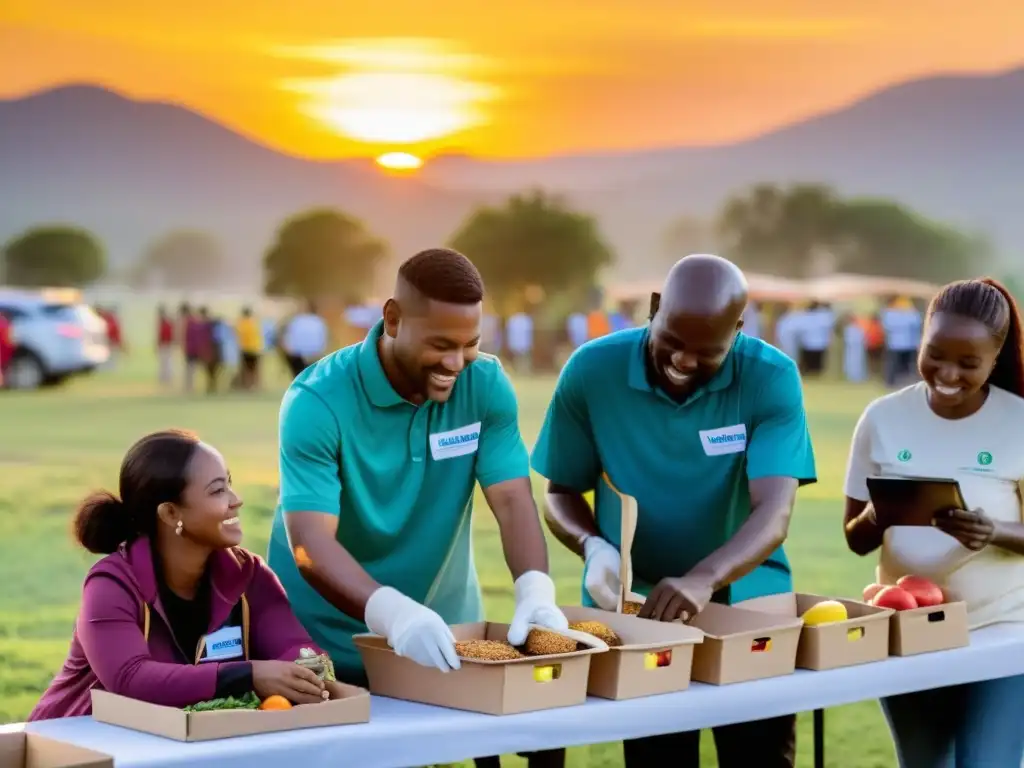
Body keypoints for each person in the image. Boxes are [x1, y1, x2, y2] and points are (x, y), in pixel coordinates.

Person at [266, 248, 568, 768]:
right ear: (392, 319)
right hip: (324, 649)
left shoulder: (486, 384)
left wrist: (535, 590)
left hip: (448, 640)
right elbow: (309, 544)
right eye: (440, 345)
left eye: (469, 345)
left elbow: (514, 499)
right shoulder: (317, 400)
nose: (455, 364)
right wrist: (394, 614)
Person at [531, 253, 816, 768]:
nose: (684, 361)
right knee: (659, 757)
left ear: (738, 329)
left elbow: (774, 512)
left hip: (750, 595)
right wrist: (593, 546)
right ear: (654, 306)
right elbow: (560, 492)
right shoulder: (592, 370)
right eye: (674, 341)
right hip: (638, 605)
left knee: (759, 755)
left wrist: (703, 579)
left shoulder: (771, 377)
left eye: (708, 351)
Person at [842, 277, 1024, 767]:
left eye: (969, 364)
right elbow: (855, 539)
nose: (947, 373)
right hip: (909, 631)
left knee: (987, 763)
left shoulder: (1019, 421)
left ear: (996, 355)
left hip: (1003, 631)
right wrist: (880, 514)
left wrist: (996, 531)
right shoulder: (882, 418)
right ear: (921, 340)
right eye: (936, 354)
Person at [29, 429, 329, 721]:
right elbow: (131, 678)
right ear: (171, 513)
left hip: (184, 744)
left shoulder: (249, 575)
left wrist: (305, 668)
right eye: (218, 490)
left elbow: (292, 644)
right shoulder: (112, 585)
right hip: (80, 746)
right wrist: (247, 676)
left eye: (230, 483)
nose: (236, 499)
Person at [281, 301, 328, 378]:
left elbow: (289, 336)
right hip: (314, 351)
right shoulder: (319, 321)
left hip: (298, 352)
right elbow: (323, 337)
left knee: (299, 374)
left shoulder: (296, 320)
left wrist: (288, 348)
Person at [236, 306, 264, 390]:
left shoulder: (241, 323)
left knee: (246, 370)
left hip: (245, 349)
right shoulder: (255, 323)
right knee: (255, 369)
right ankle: (256, 386)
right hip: (255, 349)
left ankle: (247, 386)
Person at [156, 305, 175, 386]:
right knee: (164, 362)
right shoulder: (163, 322)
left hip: (167, 344)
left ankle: (166, 377)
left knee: (166, 362)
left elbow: (168, 334)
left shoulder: (166, 322)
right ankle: (164, 377)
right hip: (164, 344)